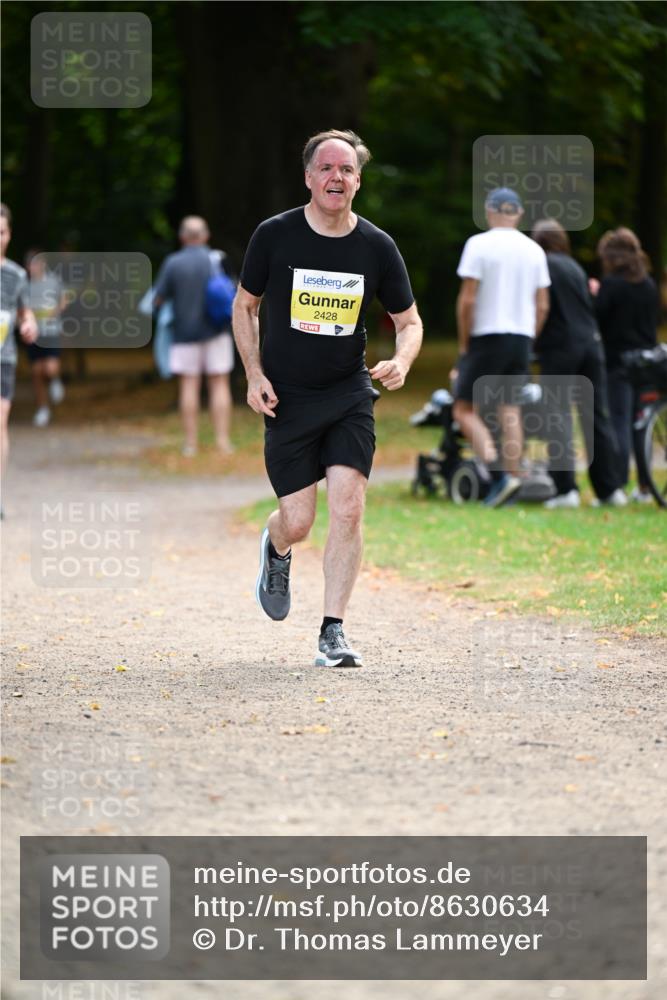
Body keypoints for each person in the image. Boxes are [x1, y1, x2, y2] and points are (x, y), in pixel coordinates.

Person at [232, 129, 423, 668]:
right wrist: (254, 374)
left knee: (349, 506)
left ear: (358, 181)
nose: (336, 177)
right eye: (326, 168)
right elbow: (245, 306)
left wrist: (402, 361)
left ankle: (333, 630)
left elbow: (410, 322)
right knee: (298, 521)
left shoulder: (376, 246)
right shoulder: (275, 235)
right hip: (287, 399)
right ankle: (277, 547)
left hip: (348, 394)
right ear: (309, 177)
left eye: (346, 169)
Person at [453, 188, 550, 507]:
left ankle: (498, 477)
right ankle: (513, 478)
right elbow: (543, 305)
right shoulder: (534, 250)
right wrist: (529, 338)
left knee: (464, 409)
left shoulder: (478, 245)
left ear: (489, 211)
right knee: (510, 410)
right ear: (519, 213)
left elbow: (468, 299)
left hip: (486, 335)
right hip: (521, 338)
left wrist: (465, 343)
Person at [531, 219, 626, 508]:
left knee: (557, 415)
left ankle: (565, 490)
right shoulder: (574, 266)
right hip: (591, 345)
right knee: (597, 415)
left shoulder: (542, 265)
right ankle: (609, 490)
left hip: (560, 346)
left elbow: (540, 305)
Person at [153, 216, 234, 457]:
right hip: (217, 331)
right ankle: (222, 441)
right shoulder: (217, 259)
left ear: (182, 238)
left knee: (189, 386)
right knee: (219, 384)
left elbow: (158, 299)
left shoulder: (172, 263)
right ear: (205, 236)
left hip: (184, 334)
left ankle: (190, 444)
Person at [592, 227, 659, 502]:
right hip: (647, 363)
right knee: (642, 425)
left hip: (618, 363)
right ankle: (645, 485)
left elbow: (598, 319)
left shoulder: (612, 286)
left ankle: (616, 483)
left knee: (618, 422)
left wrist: (594, 295)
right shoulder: (648, 285)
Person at [0, 204, 38, 505]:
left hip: (4, 358)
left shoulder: (17, 274)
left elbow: (27, 315)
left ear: (9, 234)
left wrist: (28, 325)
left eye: (1, 232)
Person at [25, 249, 67, 427]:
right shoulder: (25, 286)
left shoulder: (53, 281)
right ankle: (42, 409)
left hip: (51, 331)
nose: (34, 267)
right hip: (34, 334)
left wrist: (53, 312)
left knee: (49, 368)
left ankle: (55, 380)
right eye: (31, 264)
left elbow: (64, 299)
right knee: (36, 372)